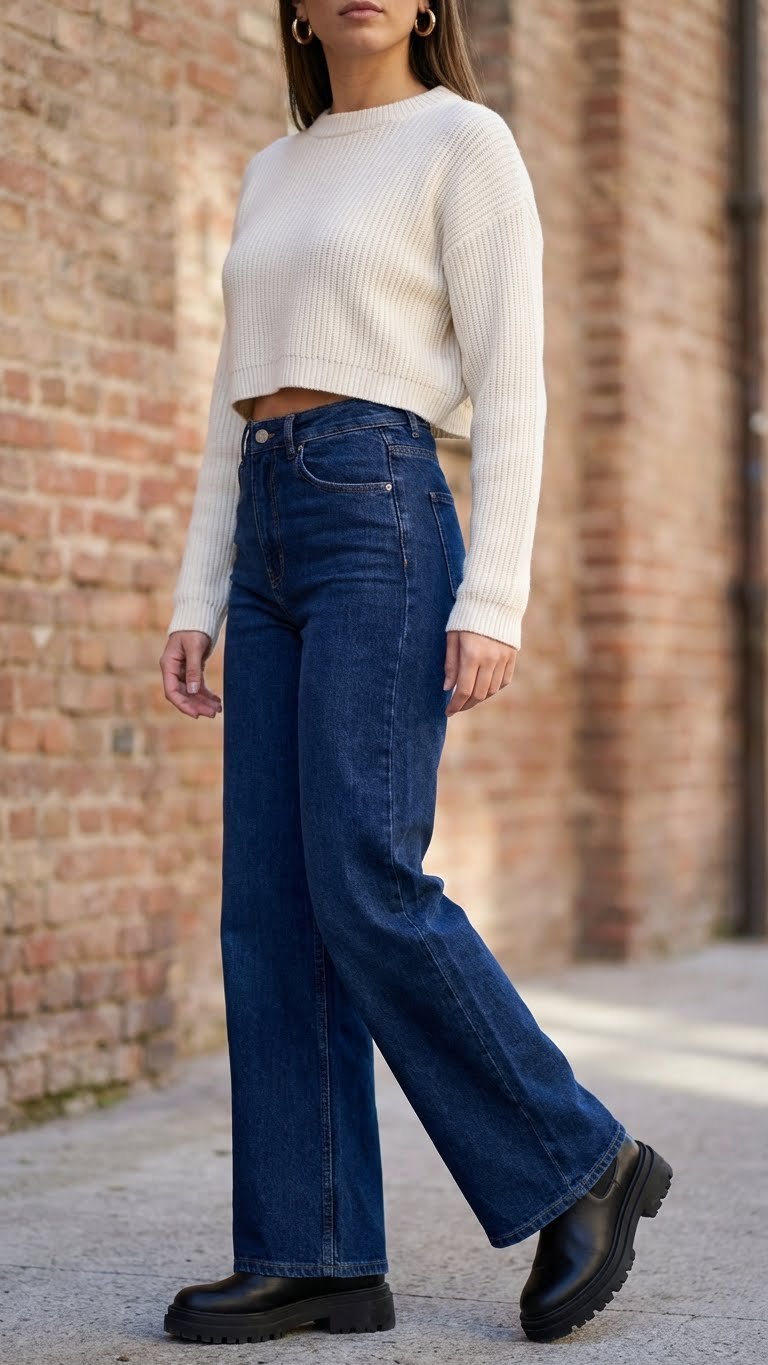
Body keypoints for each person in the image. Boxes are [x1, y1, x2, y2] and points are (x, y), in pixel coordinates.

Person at [159, 0, 673, 1347]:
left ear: (433, 4)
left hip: (380, 509)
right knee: (268, 902)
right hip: (268, 527)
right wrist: (196, 591)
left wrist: (494, 590)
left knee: (363, 871)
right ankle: (313, 1247)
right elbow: (236, 392)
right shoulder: (278, 168)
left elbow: (515, 386)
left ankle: (583, 1163)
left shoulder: (467, 141)